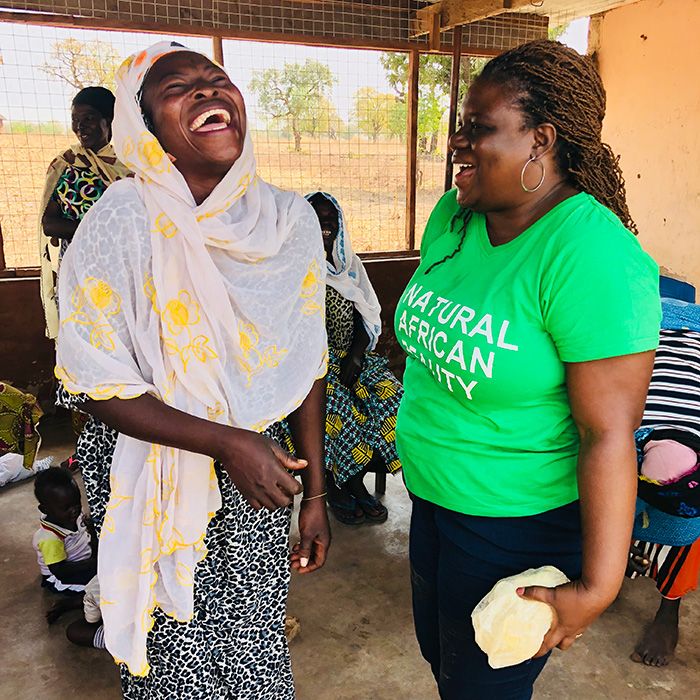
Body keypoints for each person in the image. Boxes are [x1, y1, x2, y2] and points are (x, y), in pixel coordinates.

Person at [54, 42, 329, 699]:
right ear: (146, 128)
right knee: (170, 647)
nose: (208, 91)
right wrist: (226, 442)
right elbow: (95, 383)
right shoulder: (120, 221)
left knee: (252, 638)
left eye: (218, 80)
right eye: (179, 87)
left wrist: (316, 494)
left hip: (258, 470)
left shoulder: (288, 222)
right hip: (147, 463)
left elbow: (305, 359)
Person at [394, 39, 661, 699]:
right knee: (444, 665)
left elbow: (609, 434)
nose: (457, 142)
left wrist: (597, 589)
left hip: (514, 524)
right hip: (430, 499)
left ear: (541, 140)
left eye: (478, 128)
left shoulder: (590, 255)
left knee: (479, 690)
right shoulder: (456, 216)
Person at [305, 191, 403, 524]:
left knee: (394, 399)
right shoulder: (293, 264)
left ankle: (353, 480)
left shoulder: (350, 264)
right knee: (336, 405)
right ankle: (340, 483)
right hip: (311, 362)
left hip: (352, 354)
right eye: (317, 217)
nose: (326, 224)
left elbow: (367, 312)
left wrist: (357, 356)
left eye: (331, 217)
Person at [626, 299, 700, 667]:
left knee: (689, 529)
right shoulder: (629, 421)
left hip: (687, 341)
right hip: (649, 318)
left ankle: (668, 612)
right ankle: (608, 565)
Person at [39, 86, 130, 340]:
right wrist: (96, 229)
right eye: (75, 120)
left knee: (118, 339)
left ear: (109, 121)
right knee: (78, 337)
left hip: (120, 272)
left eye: (88, 118)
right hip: (75, 271)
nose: (80, 127)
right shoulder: (67, 165)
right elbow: (49, 224)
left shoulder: (131, 167)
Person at [32, 466, 97, 597]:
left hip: (84, 562)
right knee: (103, 587)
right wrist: (92, 563)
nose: (75, 510)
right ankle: (69, 604)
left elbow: (87, 529)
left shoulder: (72, 515)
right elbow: (59, 570)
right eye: (66, 507)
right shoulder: (50, 539)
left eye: (77, 502)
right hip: (61, 578)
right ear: (45, 509)